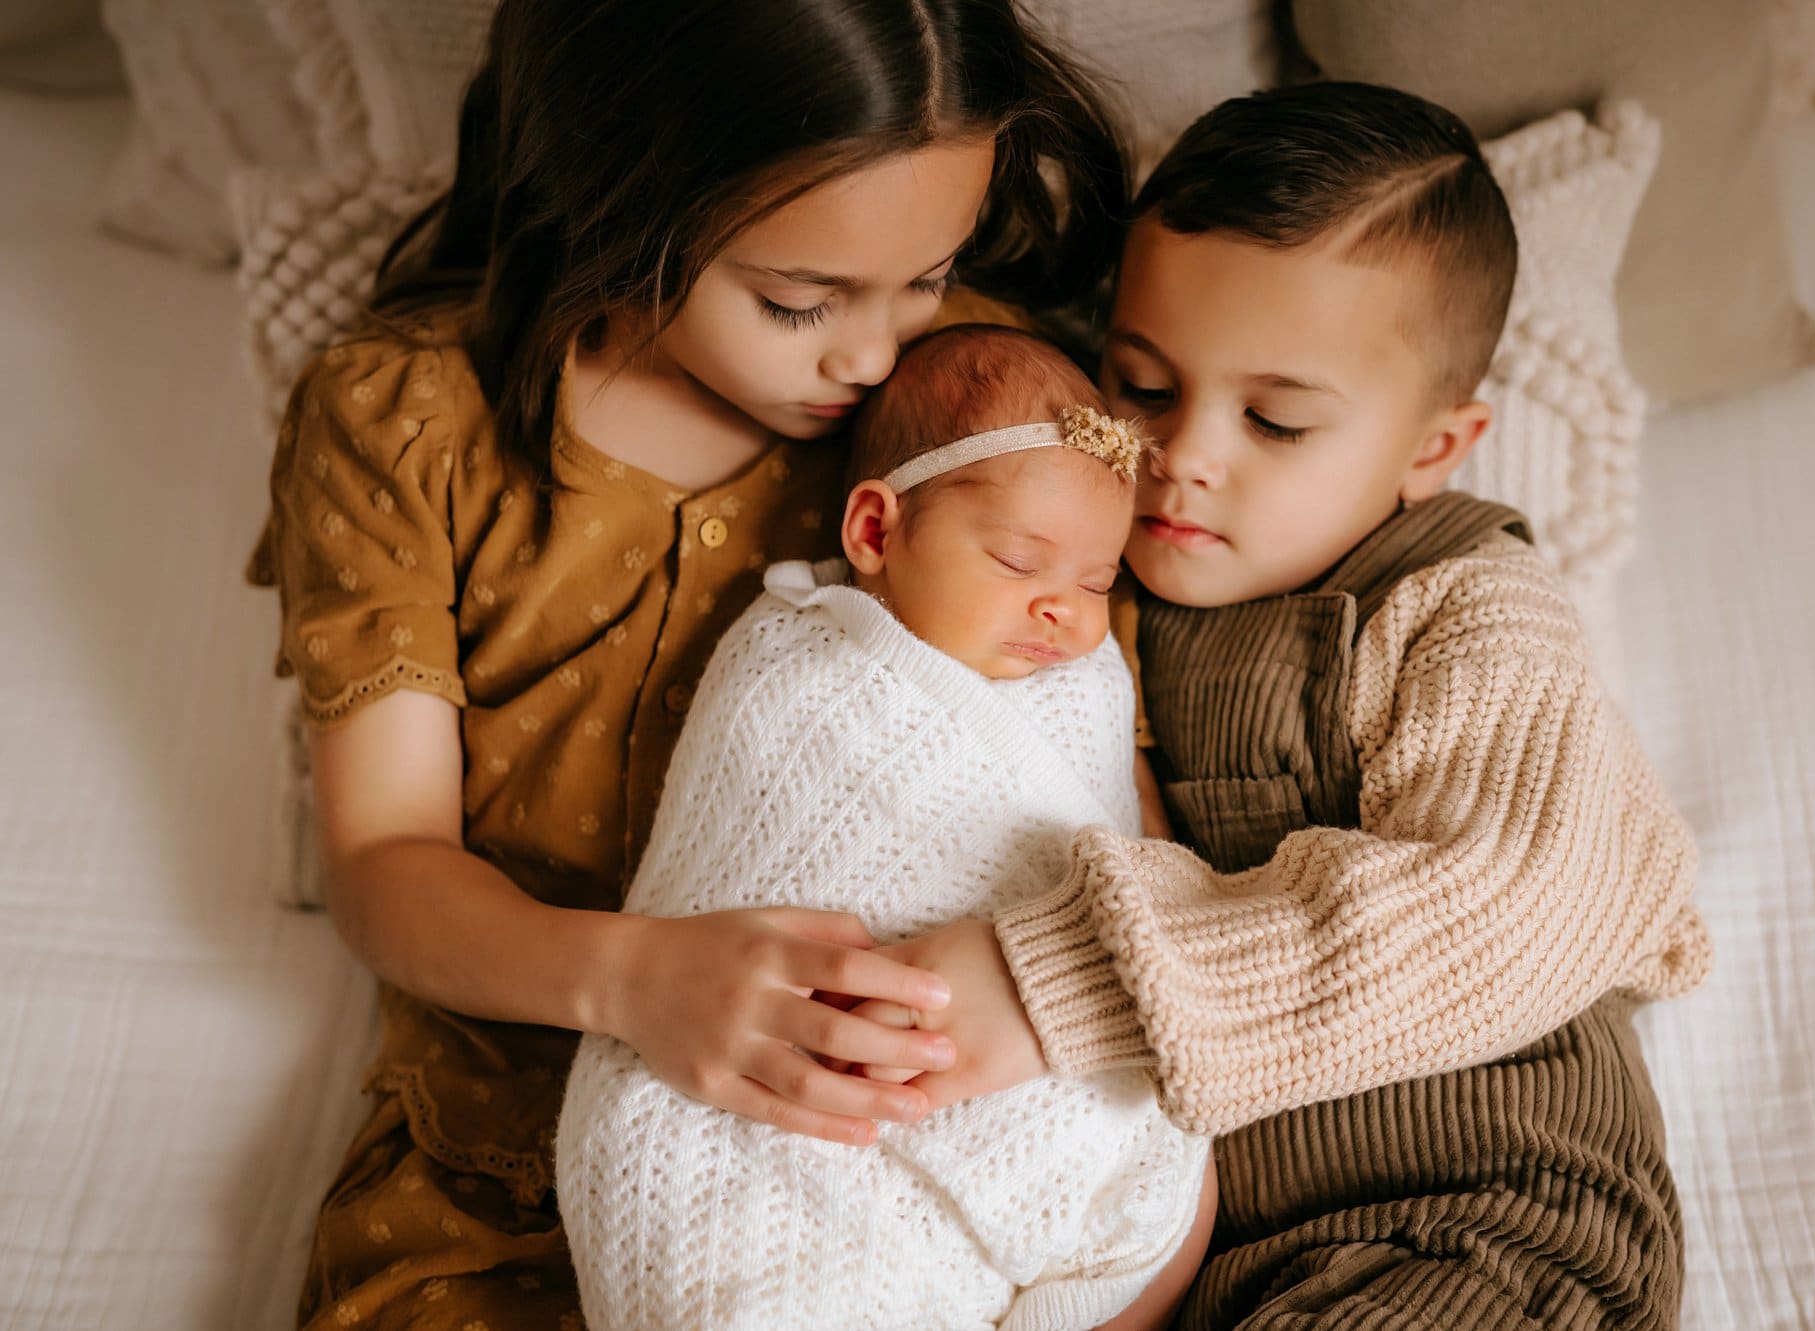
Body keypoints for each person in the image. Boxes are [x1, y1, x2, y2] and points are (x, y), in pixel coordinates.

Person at [245, 1, 1130, 1324]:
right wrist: (631, 977)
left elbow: (1097, 775)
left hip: (883, 1181)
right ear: (620, 190)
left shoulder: (979, 410)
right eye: (796, 299)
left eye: (927, 273)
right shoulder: (409, 423)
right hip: (498, 1167)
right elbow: (381, 865)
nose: (874, 351)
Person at [861, 82, 1715, 1329]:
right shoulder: (1080, 583)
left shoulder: (1460, 605)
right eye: (1142, 388)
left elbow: (1525, 888)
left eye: (1274, 419)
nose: (1182, 454)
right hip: (1203, 1261)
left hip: (1479, 1221)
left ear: (1434, 448)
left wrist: (1057, 986)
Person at [557, 324, 1217, 1331]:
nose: (1065, 616)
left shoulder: (1084, 683)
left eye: (1096, 581)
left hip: (1001, 1052)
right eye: (1016, 559)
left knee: (1169, 1164)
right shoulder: (793, 665)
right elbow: (735, 854)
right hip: (751, 1083)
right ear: (875, 531)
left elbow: (1124, 871)